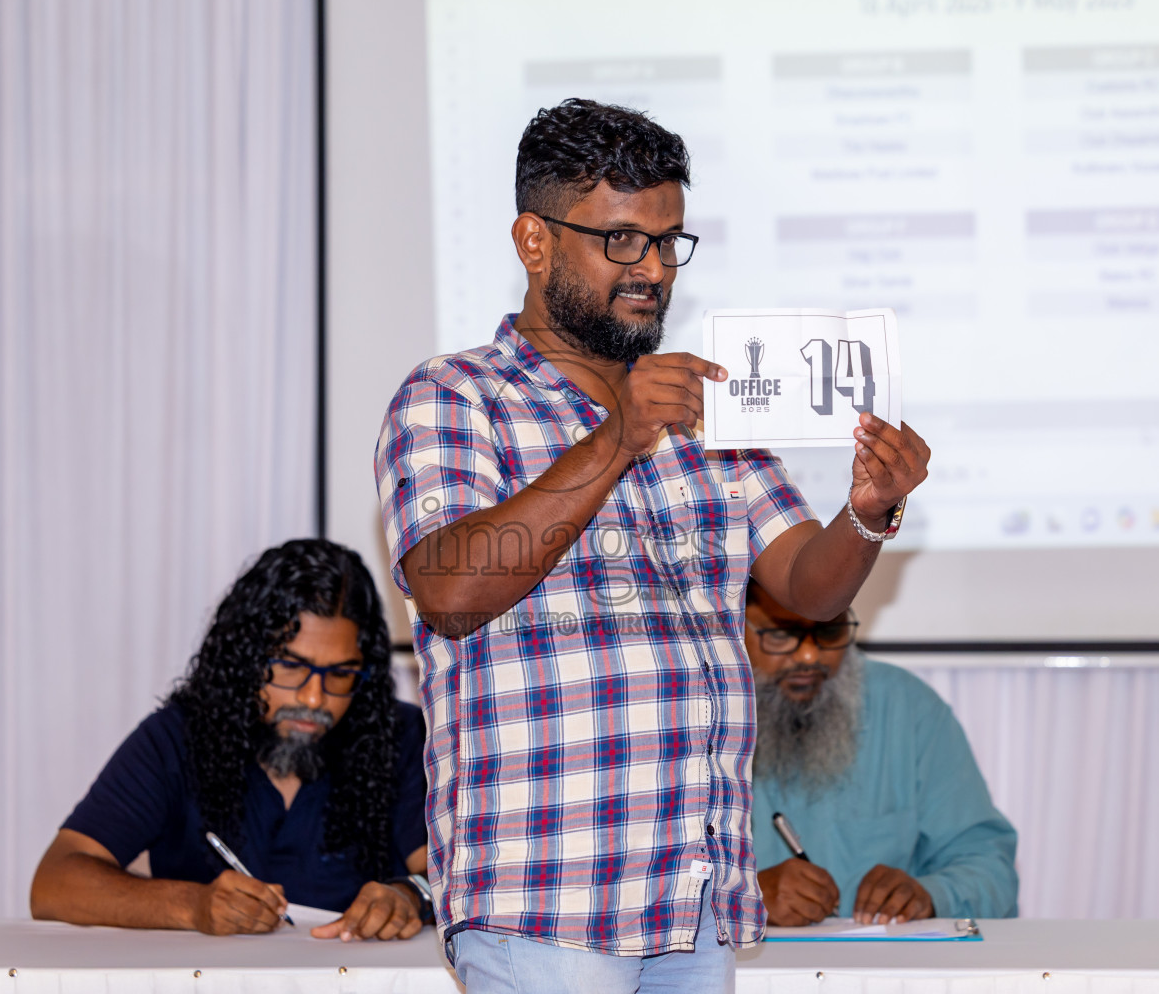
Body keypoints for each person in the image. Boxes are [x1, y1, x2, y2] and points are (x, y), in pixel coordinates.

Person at [375, 98, 931, 991]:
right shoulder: (452, 397)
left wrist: (868, 510)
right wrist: (617, 437)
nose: (654, 270)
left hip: (695, 901)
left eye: (670, 242)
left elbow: (807, 589)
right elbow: (446, 591)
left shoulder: (710, 408)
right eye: (622, 241)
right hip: (546, 904)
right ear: (535, 241)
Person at [31, 539, 431, 940]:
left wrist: (408, 895)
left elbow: (451, 874)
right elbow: (55, 882)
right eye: (291, 666)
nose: (314, 698)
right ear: (247, 659)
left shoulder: (400, 737)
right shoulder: (176, 739)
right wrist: (193, 906)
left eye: (341, 674)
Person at [746, 582, 1019, 926]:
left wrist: (931, 895)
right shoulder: (687, 719)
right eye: (783, 635)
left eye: (830, 632)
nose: (809, 656)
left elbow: (991, 868)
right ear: (731, 623)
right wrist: (741, 896)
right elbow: (658, 879)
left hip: (889, 972)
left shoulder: (909, 708)